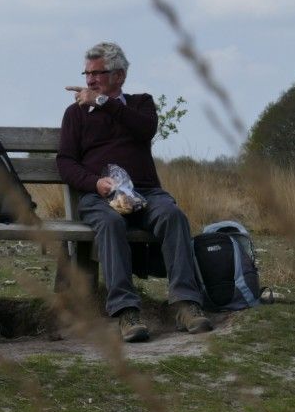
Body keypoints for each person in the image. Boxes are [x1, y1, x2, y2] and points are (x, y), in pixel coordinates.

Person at [56, 41, 212, 342]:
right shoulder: (75, 114)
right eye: (87, 74)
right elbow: (65, 162)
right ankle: (126, 312)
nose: (89, 81)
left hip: (146, 194)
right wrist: (95, 183)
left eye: (97, 73)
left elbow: (145, 130)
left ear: (120, 76)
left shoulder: (140, 104)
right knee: (111, 224)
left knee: (172, 215)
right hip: (100, 196)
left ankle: (186, 304)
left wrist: (102, 102)